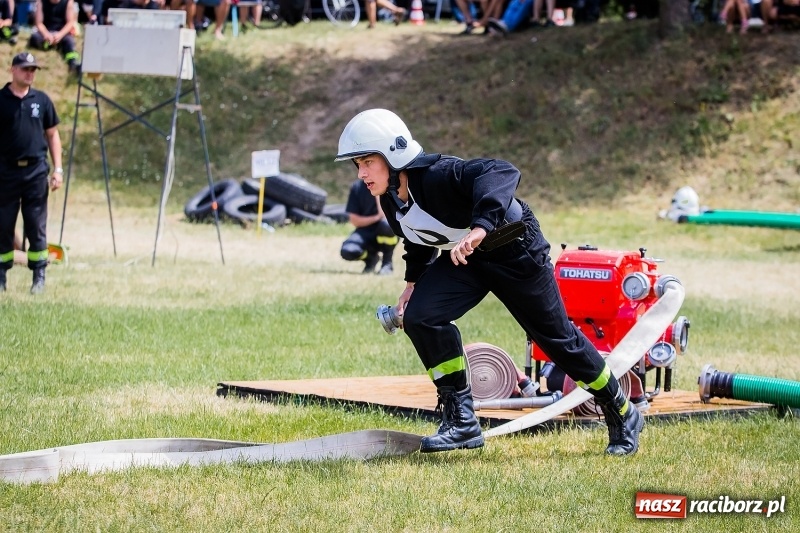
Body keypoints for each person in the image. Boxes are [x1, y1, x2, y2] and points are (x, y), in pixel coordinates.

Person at [334, 109, 644, 455]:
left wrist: (481, 227)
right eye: (356, 164)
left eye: (366, 162)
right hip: (469, 257)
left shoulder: (439, 174)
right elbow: (419, 239)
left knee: (559, 342)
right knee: (421, 317)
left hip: (516, 250)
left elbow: (502, 171)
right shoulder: (391, 200)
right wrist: (411, 285)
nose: (360, 173)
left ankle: (621, 410)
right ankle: (462, 422)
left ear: (393, 155)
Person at [0, 52, 63, 294]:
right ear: (13, 70)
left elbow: (53, 135)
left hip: (36, 171)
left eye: (33, 70)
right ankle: (2, 275)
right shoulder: (2, 100)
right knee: (3, 224)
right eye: (25, 69)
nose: (30, 73)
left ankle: (39, 275)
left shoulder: (42, 101)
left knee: (36, 224)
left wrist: (57, 169)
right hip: (6, 171)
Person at [340, 179, 398, 275]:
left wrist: (378, 194)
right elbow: (354, 220)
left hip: (387, 229)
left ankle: (387, 263)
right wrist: (376, 218)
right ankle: (371, 258)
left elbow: (385, 216)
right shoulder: (357, 187)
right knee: (347, 251)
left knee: (386, 225)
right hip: (365, 230)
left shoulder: (390, 184)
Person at [28, 0, 81, 74]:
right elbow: (39, 23)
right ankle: (52, 46)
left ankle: (73, 63)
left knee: (69, 41)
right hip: (46, 33)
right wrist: (46, 34)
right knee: (34, 38)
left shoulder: (68, 2)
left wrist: (60, 35)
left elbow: (70, 22)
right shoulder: (41, 2)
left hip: (62, 33)